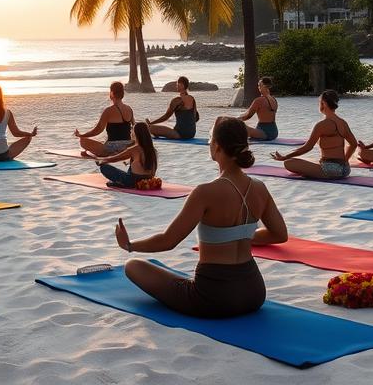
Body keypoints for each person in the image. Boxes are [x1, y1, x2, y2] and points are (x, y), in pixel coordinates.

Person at [113, 117, 287, 318]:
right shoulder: (259, 188)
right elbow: (279, 234)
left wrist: (129, 245)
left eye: (210, 140)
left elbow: (168, 241)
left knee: (133, 266)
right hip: (254, 293)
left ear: (218, 147)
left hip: (214, 297)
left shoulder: (205, 192)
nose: (209, 144)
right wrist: (244, 235)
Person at [269, 90, 357, 179]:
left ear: (324, 104)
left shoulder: (322, 125)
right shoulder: (343, 123)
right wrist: (345, 160)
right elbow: (354, 144)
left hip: (331, 170)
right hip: (345, 170)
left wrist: (286, 156)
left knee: (288, 163)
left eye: (320, 102)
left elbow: (308, 147)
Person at [74, 82, 134, 157]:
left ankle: (108, 153)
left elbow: (98, 130)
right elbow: (134, 128)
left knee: (83, 141)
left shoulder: (108, 111)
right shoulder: (129, 109)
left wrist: (82, 135)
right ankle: (112, 152)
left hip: (112, 147)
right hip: (128, 146)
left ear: (112, 93)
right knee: (102, 141)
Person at [97, 123, 158, 188]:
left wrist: (101, 161)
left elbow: (115, 158)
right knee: (130, 166)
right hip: (149, 179)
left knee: (104, 167)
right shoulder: (153, 150)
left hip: (132, 181)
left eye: (132, 130)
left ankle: (122, 184)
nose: (131, 132)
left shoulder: (134, 149)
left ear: (136, 134)